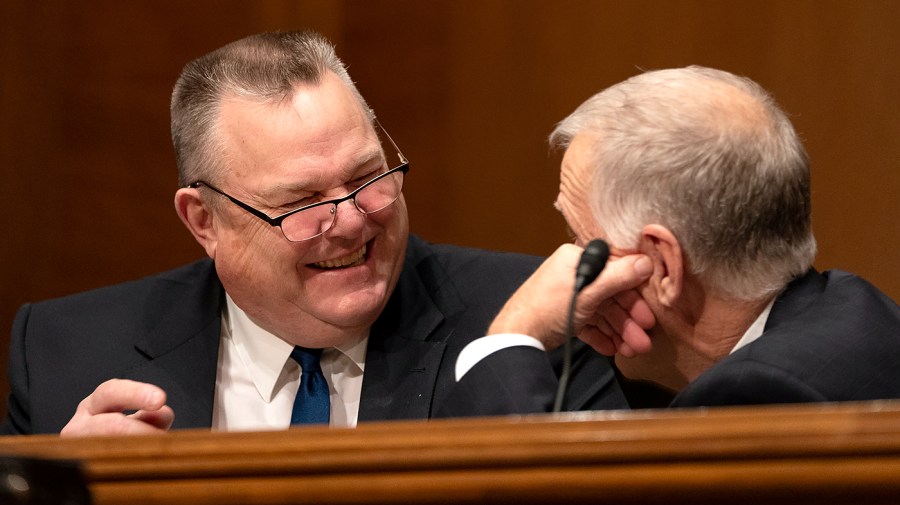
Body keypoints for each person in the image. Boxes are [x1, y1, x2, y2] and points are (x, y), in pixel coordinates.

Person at [1, 30, 629, 436]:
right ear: (204, 220)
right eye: (301, 203)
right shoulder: (66, 354)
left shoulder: (532, 324)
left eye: (366, 177)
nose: (354, 220)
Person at [439, 66, 900, 416]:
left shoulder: (755, 397)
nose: (568, 264)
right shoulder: (860, 313)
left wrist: (509, 337)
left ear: (661, 266)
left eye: (584, 243)